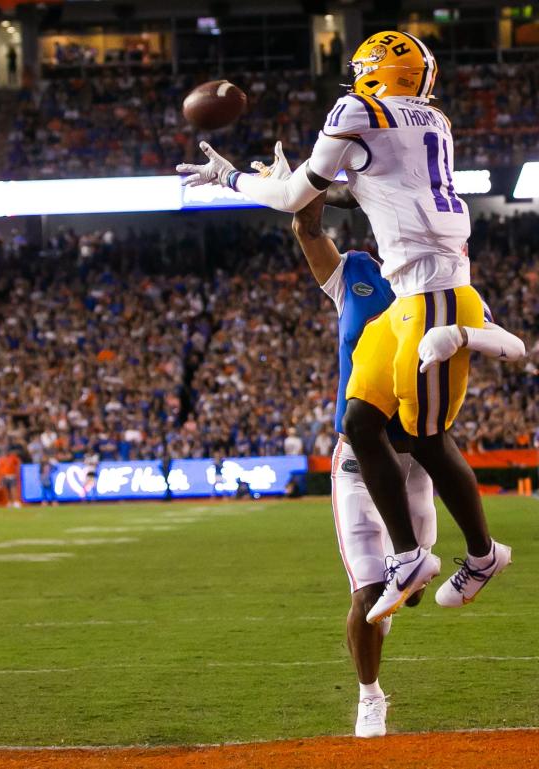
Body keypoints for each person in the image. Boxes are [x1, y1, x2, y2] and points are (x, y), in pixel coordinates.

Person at [176, 31, 523, 621]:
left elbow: (293, 200)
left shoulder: (356, 108)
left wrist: (235, 179)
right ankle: (410, 556)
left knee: (425, 437)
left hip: (431, 289)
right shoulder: (432, 120)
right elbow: (369, 187)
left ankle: (485, 553)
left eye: (365, 65)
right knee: (360, 420)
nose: (355, 73)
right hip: (413, 289)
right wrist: (312, 179)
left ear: (378, 71)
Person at [260, 144, 525, 737]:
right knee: (371, 587)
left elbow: (498, 341)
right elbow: (306, 226)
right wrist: (305, 181)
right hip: (359, 459)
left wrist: (456, 335)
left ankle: (460, 560)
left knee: (399, 595)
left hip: (417, 461)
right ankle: (369, 695)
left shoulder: (442, 279)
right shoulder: (352, 271)